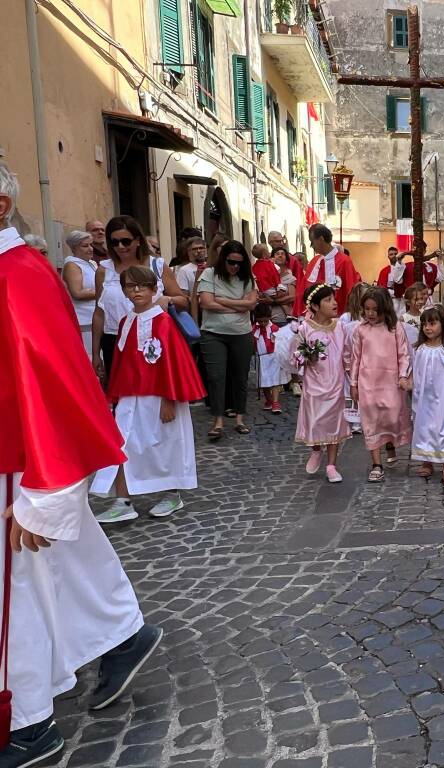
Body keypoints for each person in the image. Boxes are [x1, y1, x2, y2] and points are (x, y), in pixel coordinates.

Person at [0, 165, 161, 767]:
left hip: (21, 463)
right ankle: (125, 634)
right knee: (67, 558)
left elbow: (52, 386)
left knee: (18, 591)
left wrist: (47, 490)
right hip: (19, 461)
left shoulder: (18, 277)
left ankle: (31, 720)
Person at [91, 265, 205, 522]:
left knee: (165, 445)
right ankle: (123, 500)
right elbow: (121, 361)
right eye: (130, 287)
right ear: (124, 292)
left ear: (154, 289)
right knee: (121, 443)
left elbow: (172, 362)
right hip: (130, 396)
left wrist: (169, 399)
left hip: (159, 396)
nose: (137, 291)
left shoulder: (163, 322)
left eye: (142, 285)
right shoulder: (126, 321)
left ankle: (172, 493)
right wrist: (115, 396)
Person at [92, 216, 188, 383]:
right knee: (121, 398)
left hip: (151, 339)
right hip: (115, 340)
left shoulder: (157, 265)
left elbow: (183, 301)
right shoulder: (103, 271)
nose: (120, 247)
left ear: (137, 240)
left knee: (152, 392)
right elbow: (99, 313)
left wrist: (168, 299)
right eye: (114, 242)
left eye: (125, 241)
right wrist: (95, 353)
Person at [350, 287, 412, 482]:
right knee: (371, 420)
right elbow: (355, 358)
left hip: (391, 381)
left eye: (374, 309)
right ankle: (376, 463)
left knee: (392, 415)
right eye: (367, 309)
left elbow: (404, 354)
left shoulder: (395, 328)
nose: (370, 313)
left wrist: (403, 375)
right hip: (367, 382)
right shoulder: (360, 330)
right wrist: (353, 383)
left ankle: (390, 443)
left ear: (384, 309)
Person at [197, 240, 258, 440]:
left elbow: (251, 304)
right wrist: (238, 306)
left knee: (240, 377)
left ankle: (239, 418)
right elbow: (206, 303)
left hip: (241, 334)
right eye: (231, 262)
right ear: (224, 260)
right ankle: (218, 421)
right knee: (216, 377)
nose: (235, 267)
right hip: (213, 333)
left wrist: (220, 300)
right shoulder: (209, 274)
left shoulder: (247, 277)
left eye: (239, 263)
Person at [292, 283, 350, 483]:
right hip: (314, 385)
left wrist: (353, 380)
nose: (334, 303)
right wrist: (307, 356)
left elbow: (347, 354)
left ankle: (332, 465)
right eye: (328, 300)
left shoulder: (340, 327)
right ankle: (316, 449)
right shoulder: (305, 328)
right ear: (315, 306)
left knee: (334, 424)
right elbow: (295, 355)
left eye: (334, 298)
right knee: (315, 421)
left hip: (335, 383)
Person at [410, 306, 444, 486]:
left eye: (432, 323)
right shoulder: (420, 350)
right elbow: (416, 373)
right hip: (425, 398)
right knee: (425, 427)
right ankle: (427, 460)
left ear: (443, 325)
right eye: (424, 324)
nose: (427, 328)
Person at [293, 223, 358, 316]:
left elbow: (351, 291)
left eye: (312, 241)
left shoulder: (344, 261)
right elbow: (303, 290)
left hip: (338, 317)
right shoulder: (314, 262)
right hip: (314, 317)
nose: (311, 246)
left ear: (321, 239)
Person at [61, 230, 98, 353]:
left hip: (96, 317)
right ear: (74, 247)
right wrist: (102, 291)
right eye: (85, 246)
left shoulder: (92, 263)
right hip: (84, 319)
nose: (90, 249)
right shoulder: (72, 265)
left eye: (91, 245)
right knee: (90, 354)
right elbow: (77, 293)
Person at [340, 283, 370, 435]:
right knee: (351, 392)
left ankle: (365, 421)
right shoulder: (346, 318)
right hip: (350, 359)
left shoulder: (370, 317)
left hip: (367, 359)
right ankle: (353, 422)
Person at [252, 303, 288, 414]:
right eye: (260, 321)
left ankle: (275, 402)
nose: (263, 323)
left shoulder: (274, 328)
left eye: (265, 321)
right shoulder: (254, 329)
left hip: (274, 357)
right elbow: (253, 343)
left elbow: (281, 342)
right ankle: (269, 400)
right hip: (261, 358)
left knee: (275, 380)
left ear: (269, 318)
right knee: (264, 381)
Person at [266, 245, 297, 325]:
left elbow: (292, 297)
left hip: (282, 320)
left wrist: (273, 301)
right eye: (277, 254)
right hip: (266, 319)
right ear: (272, 258)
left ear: (286, 259)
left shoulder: (290, 277)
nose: (280, 255)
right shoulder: (266, 276)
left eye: (282, 254)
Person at [378, 245, 409, 316]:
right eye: (391, 254)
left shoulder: (404, 268)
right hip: (390, 300)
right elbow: (381, 287)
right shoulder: (384, 271)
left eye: (395, 254)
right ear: (388, 256)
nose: (394, 256)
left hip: (401, 300)